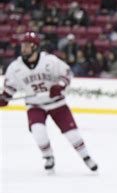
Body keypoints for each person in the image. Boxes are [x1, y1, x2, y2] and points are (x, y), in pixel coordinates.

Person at [0, 32, 98, 171]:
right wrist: (4, 98)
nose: (24, 48)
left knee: (72, 134)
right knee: (37, 131)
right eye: (23, 45)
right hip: (35, 105)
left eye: (27, 45)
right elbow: (9, 90)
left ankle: (86, 157)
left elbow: (67, 74)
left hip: (57, 103)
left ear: (35, 47)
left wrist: (59, 86)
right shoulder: (15, 67)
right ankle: (48, 156)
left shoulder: (49, 61)